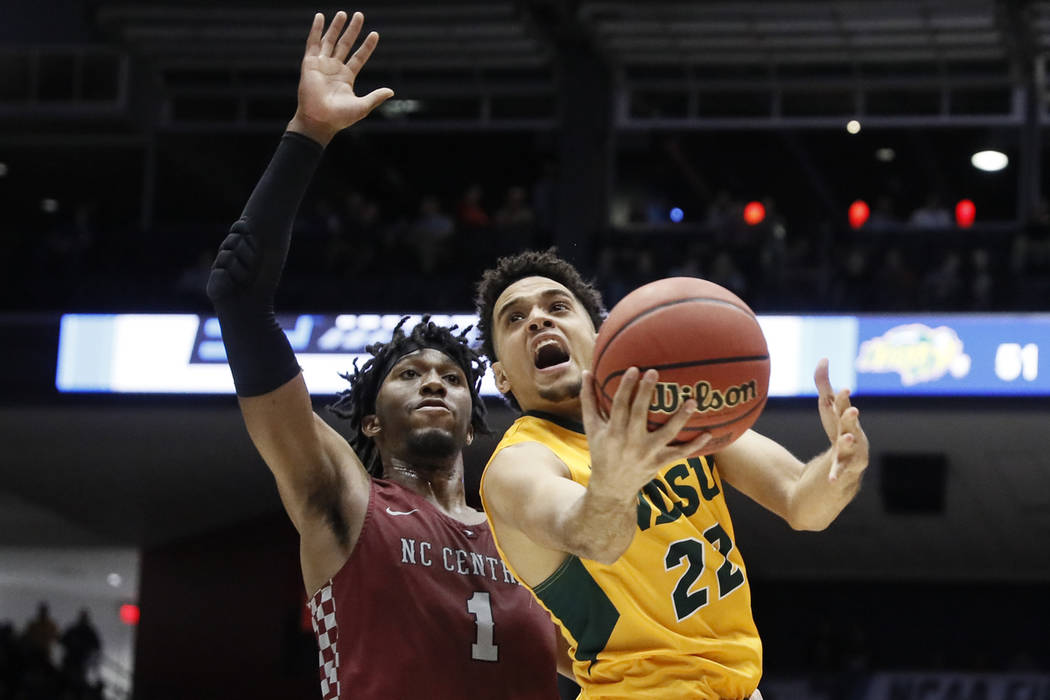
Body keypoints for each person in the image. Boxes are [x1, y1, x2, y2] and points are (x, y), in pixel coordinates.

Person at [206, 12, 559, 699]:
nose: (435, 382)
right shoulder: (343, 497)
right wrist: (308, 133)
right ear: (370, 421)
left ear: (470, 415)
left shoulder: (532, 538)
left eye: (453, 378)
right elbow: (238, 292)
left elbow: (619, 664)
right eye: (409, 375)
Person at [473, 249, 870, 699]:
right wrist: (615, 481)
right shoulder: (520, 462)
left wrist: (840, 467)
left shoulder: (676, 415)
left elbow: (802, 503)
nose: (538, 320)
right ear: (501, 377)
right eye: (515, 318)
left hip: (741, 688)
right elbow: (594, 536)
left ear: (601, 338)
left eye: (557, 306)